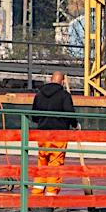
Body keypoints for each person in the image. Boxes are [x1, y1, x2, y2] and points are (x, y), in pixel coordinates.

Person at [31, 67, 78, 202]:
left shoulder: (39, 94)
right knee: (55, 164)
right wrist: (75, 125)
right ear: (62, 82)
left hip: (42, 134)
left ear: (50, 80)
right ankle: (51, 196)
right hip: (58, 134)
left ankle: (37, 193)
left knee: (42, 162)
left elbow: (34, 116)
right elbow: (70, 114)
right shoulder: (64, 95)